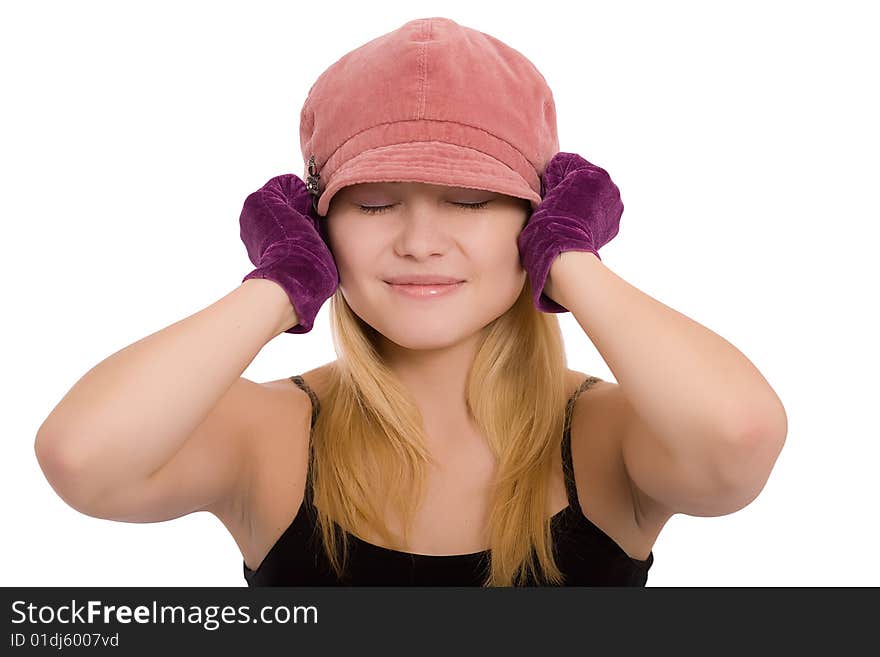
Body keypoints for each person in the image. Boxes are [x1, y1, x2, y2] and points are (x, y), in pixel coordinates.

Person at [34, 17, 786, 587]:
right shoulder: (267, 435)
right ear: (315, 225)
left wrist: (572, 261)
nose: (421, 241)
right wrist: (277, 286)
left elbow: (741, 436)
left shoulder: (608, 435)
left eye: (469, 199)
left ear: (539, 218)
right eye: (374, 205)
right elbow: (82, 457)